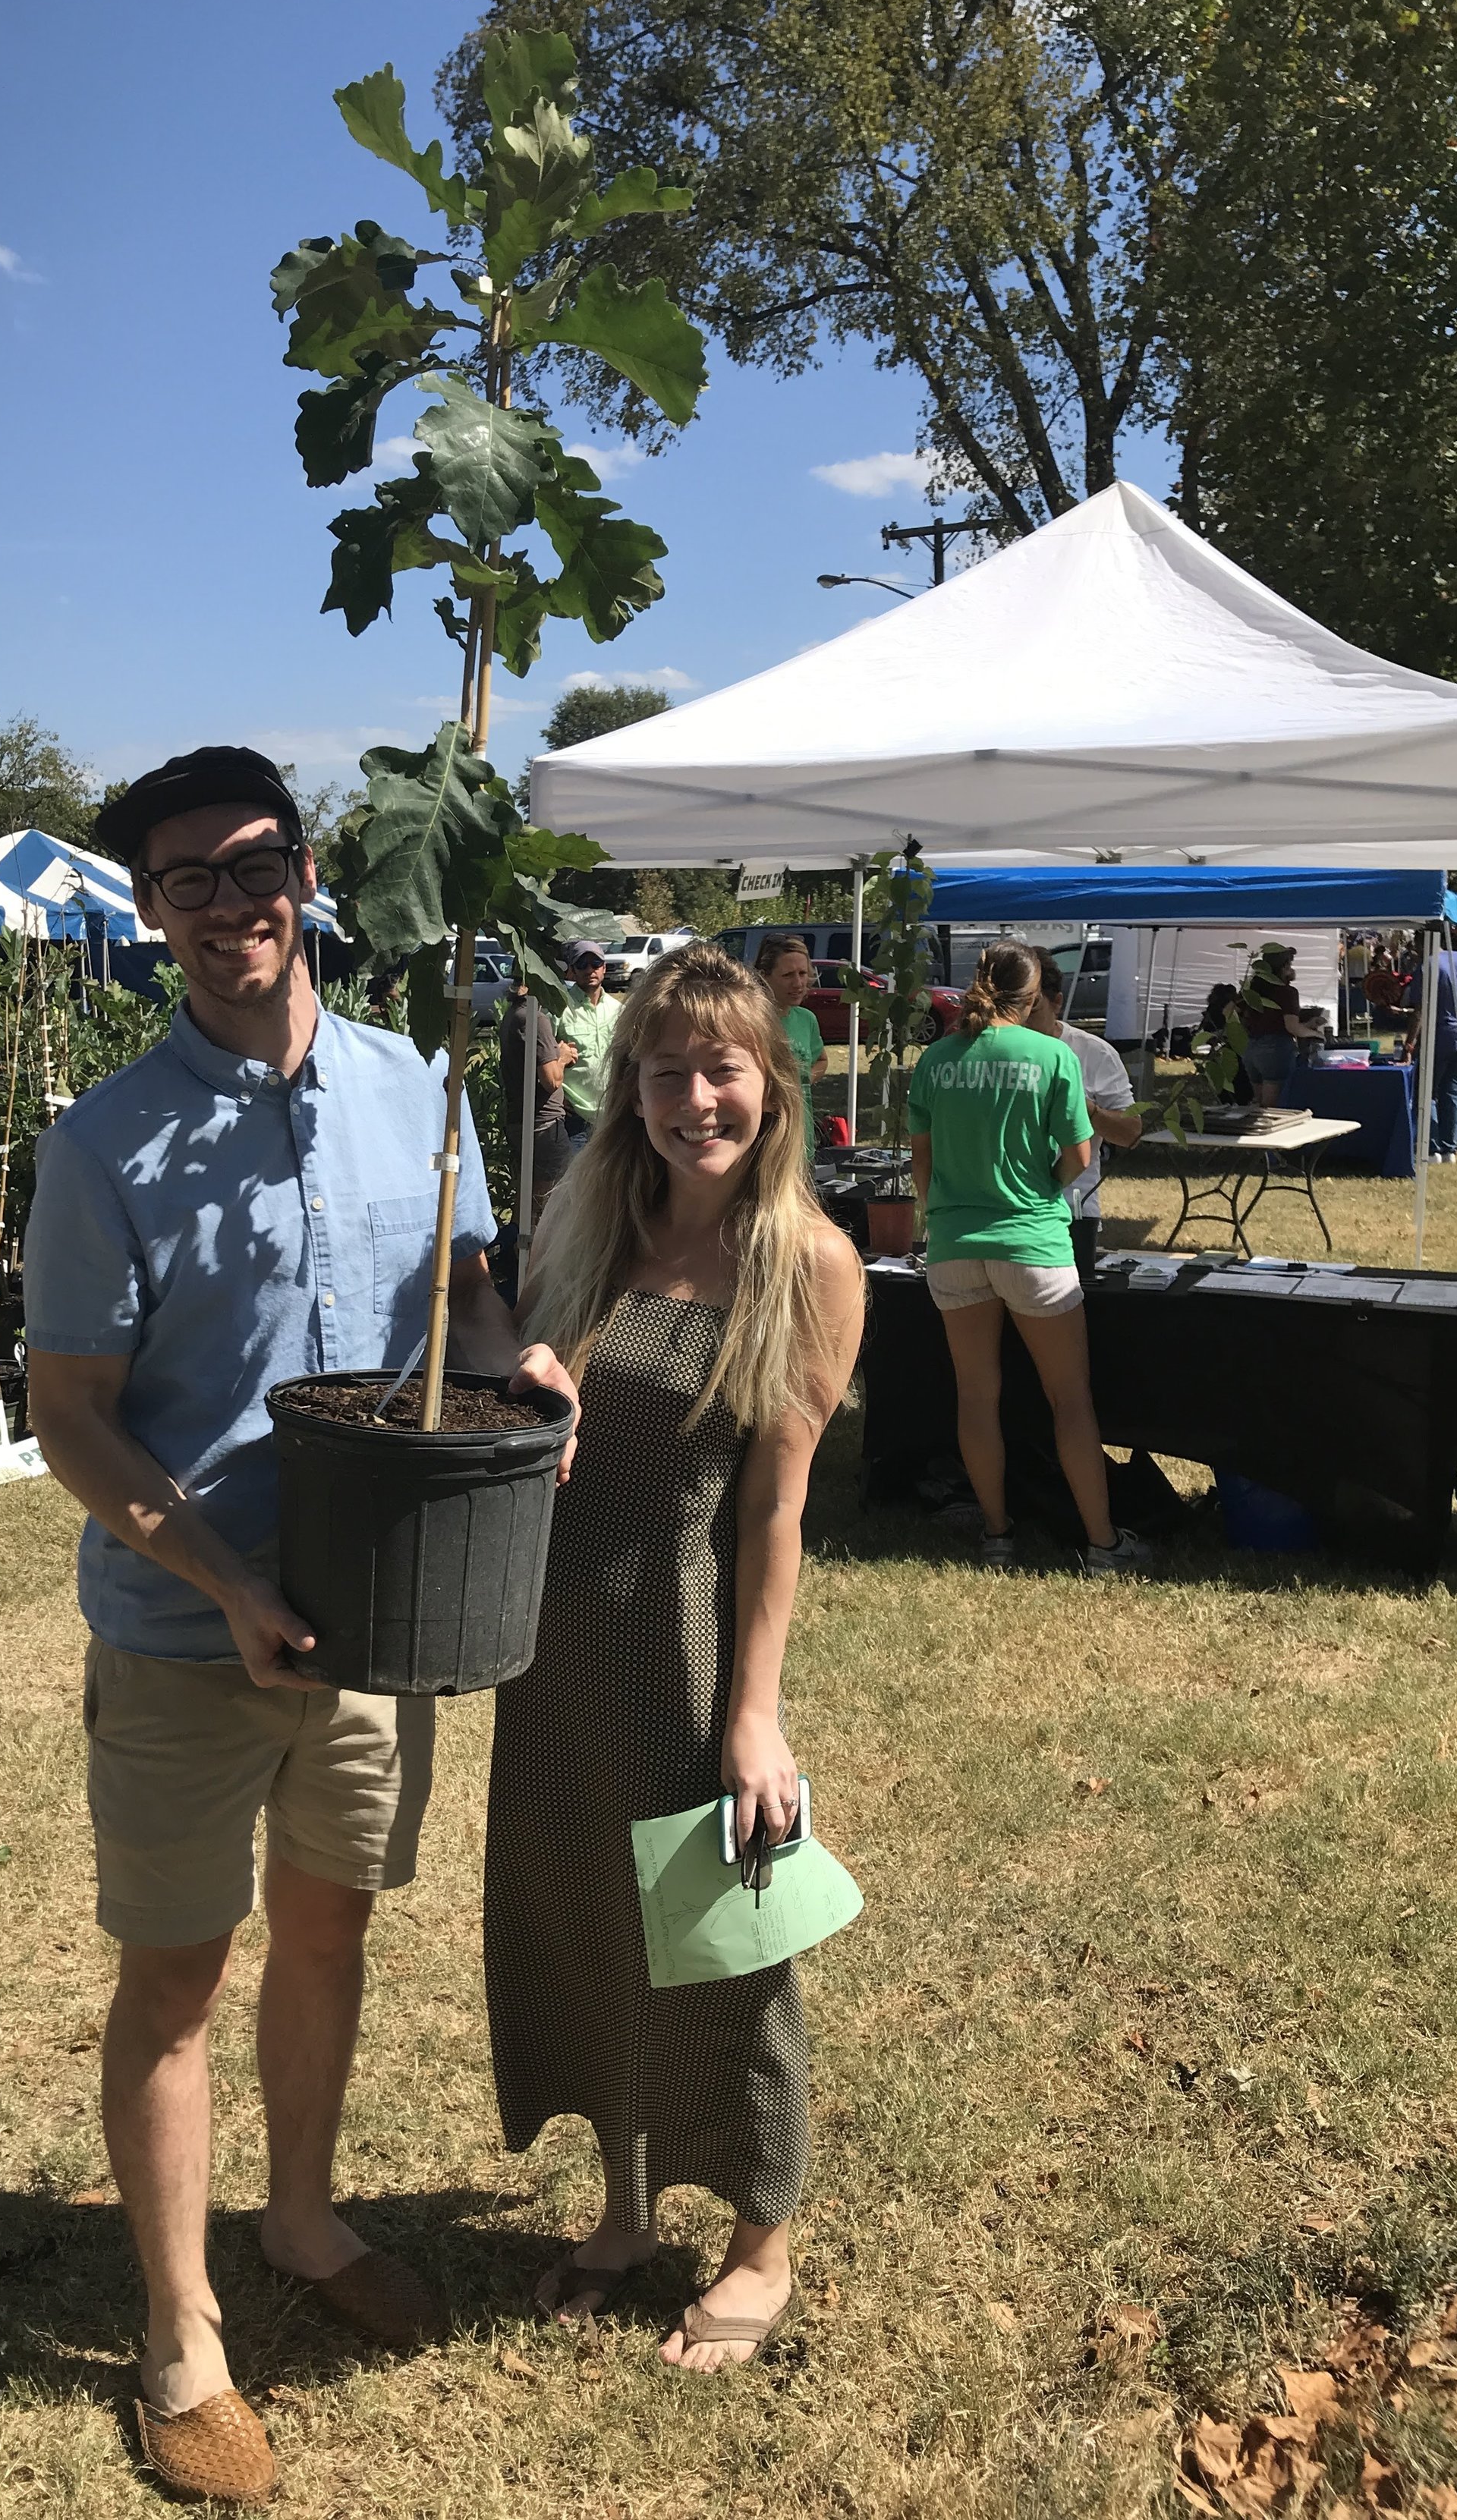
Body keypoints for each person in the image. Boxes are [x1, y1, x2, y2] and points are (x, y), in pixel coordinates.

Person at [23, 746, 578, 2508]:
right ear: (147, 912)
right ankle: (180, 2329)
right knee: (177, 1978)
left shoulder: (419, 1086)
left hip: (375, 1620)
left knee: (329, 1933)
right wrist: (223, 1581)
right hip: (187, 1630)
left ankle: (304, 2214)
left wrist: (517, 1368)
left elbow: (459, 1302)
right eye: (184, 880)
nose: (228, 905)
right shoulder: (105, 1144)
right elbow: (71, 1415)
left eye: (253, 863)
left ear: (310, 871)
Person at [486, 944, 864, 2374]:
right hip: (556, 1645)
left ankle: (761, 2240)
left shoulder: (808, 1263)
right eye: (665, 1071)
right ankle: (627, 2206)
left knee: (722, 1944)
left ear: (773, 1085)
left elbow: (776, 1507)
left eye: (723, 1069)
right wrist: (529, 1374)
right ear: (627, 1086)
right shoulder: (586, 1227)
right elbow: (525, 1395)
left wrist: (755, 1715)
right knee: (585, 1913)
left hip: (687, 1644)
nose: (695, 1099)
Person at [907, 940, 1149, 1575]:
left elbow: (921, 1161)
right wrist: (1043, 1185)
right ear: (1035, 993)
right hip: (1034, 1241)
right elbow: (1080, 1157)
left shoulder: (935, 1058)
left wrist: (941, 1213)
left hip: (954, 1244)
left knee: (975, 1395)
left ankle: (996, 1533)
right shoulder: (1052, 1054)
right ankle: (1103, 1543)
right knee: (1069, 1398)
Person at [1028, 949, 1141, 1272]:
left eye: (1033, 1009)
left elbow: (1131, 1133)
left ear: (1057, 1003)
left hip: (1072, 1211)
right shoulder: (993, 1052)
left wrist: (1082, 1106)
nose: (1021, 1022)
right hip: (1004, 1213)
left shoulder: (1093, 1053)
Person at [500, 971, 575, 1234]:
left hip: (522, 1120)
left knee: (527, 1200)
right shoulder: (535, 1018)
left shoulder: (514, 1014)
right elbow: (552, 1080)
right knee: (554, 1198)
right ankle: (543, 1254)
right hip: (543, 1125)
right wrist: (562, 1057)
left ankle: (515, 1252)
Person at [1402, 932, 1457, 1162]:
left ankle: (1432, 1148)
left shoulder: (1426, 967)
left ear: (1424, 942)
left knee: (1426, 1092)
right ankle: (1450, 1149)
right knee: (1451, 1090)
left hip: (1438, 1034)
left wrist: (1410, 1045)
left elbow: (1420, 1010)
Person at [755, 931, 828, 1162]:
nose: (798, 983)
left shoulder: (807, 1019)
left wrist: (802, 1081)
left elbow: (822, 1060)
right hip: (765, 1139)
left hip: (803, 1138)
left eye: (803, 973)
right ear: (764, 977)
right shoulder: (752, 1021)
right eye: (788, 975)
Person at [555, 939, 622, 1141]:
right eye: (582, 964)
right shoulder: (560, 1007)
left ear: (604, 968)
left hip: (612, 1115)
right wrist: (557, 1097)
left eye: (596, 964)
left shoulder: (619, 1010)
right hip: (575, 1116)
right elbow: (541, 1056)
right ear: (572, 971)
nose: (590, 970)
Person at [1237, 943, 1320, 1106]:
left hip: (1250, 1047)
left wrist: (1308, 1025)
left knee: (1258, 1104)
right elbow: (1292, 1027)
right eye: (1290, 964)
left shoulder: (1252, 990)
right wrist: (1316, 1034)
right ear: (1284, 968)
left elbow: (1230, 1010)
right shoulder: (1287, 992)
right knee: (1272, 1109)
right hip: (1275, 1049)